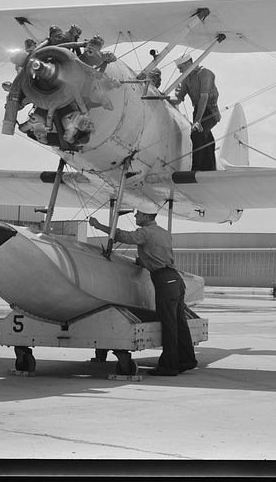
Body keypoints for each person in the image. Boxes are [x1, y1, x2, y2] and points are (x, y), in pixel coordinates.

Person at [89, 210, 197, 376]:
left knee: (169, 325)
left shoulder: (145, 232)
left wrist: (99, 225)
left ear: (146, 217)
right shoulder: (164, 233)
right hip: (175, 280)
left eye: (138, 214)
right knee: (179, 324)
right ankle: (186, 360)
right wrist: (144, 260)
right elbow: (158, 253)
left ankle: (168, 367)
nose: (135, 217)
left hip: (164, 280)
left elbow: (122, 235)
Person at [169, 52, 220, 171]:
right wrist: (164, 98)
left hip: (209, 111)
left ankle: (196, 168)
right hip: (197, 110)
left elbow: (204, 97)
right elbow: (178, 99)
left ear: (189, 63)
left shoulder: (205, 73)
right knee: (206, 138)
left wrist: (197, 121)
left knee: (197, 133)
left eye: (181, 68)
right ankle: (210, 167)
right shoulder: (186, 78)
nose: (180, 72)